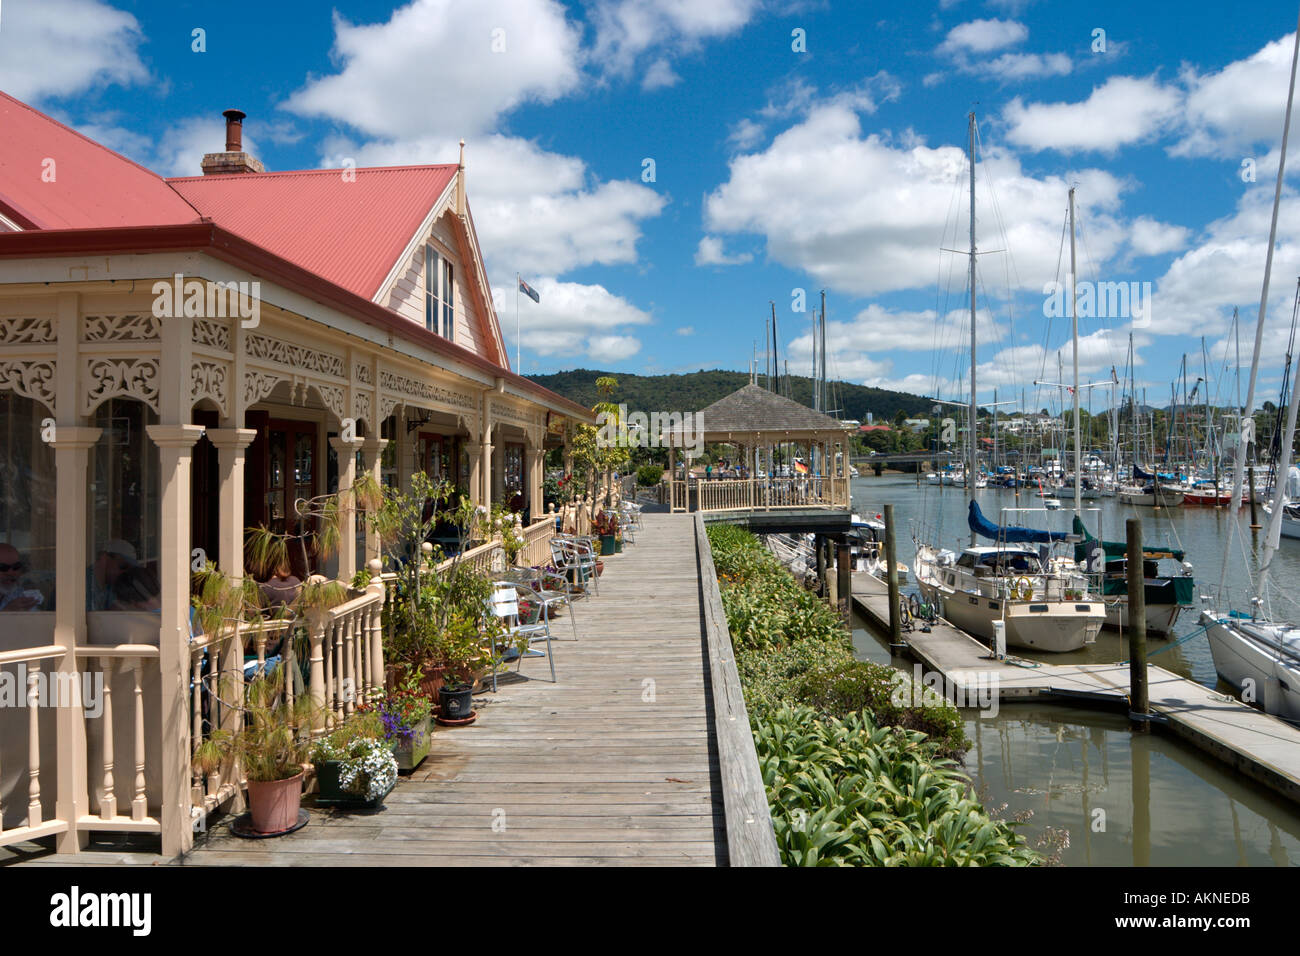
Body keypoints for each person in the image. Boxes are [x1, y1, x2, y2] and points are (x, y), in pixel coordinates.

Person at [88, 539, 139, 611]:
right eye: (123, 566)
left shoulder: (112, 587)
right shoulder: (83, 582)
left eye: (129, 571)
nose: (125, 573)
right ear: (104, 557)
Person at [0, 543, 43, 611]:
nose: (11, 573)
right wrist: (6, 612)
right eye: (3, 567)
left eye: (16, 567)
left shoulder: (19, 594)